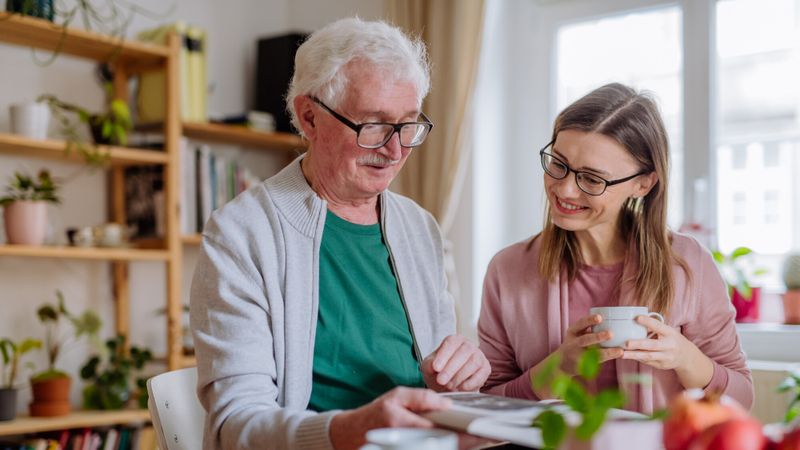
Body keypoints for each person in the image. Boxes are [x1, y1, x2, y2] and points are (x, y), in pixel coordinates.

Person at [190, 18, 490, 450]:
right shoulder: (242, 233)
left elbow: (440, 390)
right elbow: (235, 428)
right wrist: (348, 430)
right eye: (373, 125)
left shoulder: (420, 228)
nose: (395, 150)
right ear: (309, 117)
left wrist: (458, 376)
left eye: (408, 125)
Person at [477, 83, 753, 413]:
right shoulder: (508, 269)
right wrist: (559, 366)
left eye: (592, 179)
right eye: (558, 164)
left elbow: (742, 400)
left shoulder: (687, 264)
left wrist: (684, 357)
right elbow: (487, 403)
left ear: (643, 183)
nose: (564, 189)